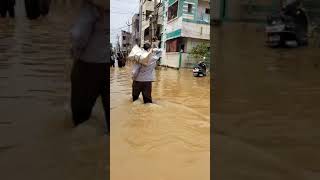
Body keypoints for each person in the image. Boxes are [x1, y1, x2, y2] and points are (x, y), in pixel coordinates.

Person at [70, 0, 108, 133]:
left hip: (87, 67)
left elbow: (79, 36)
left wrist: (75, 53)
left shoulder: (92, 6)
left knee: (81, 121)